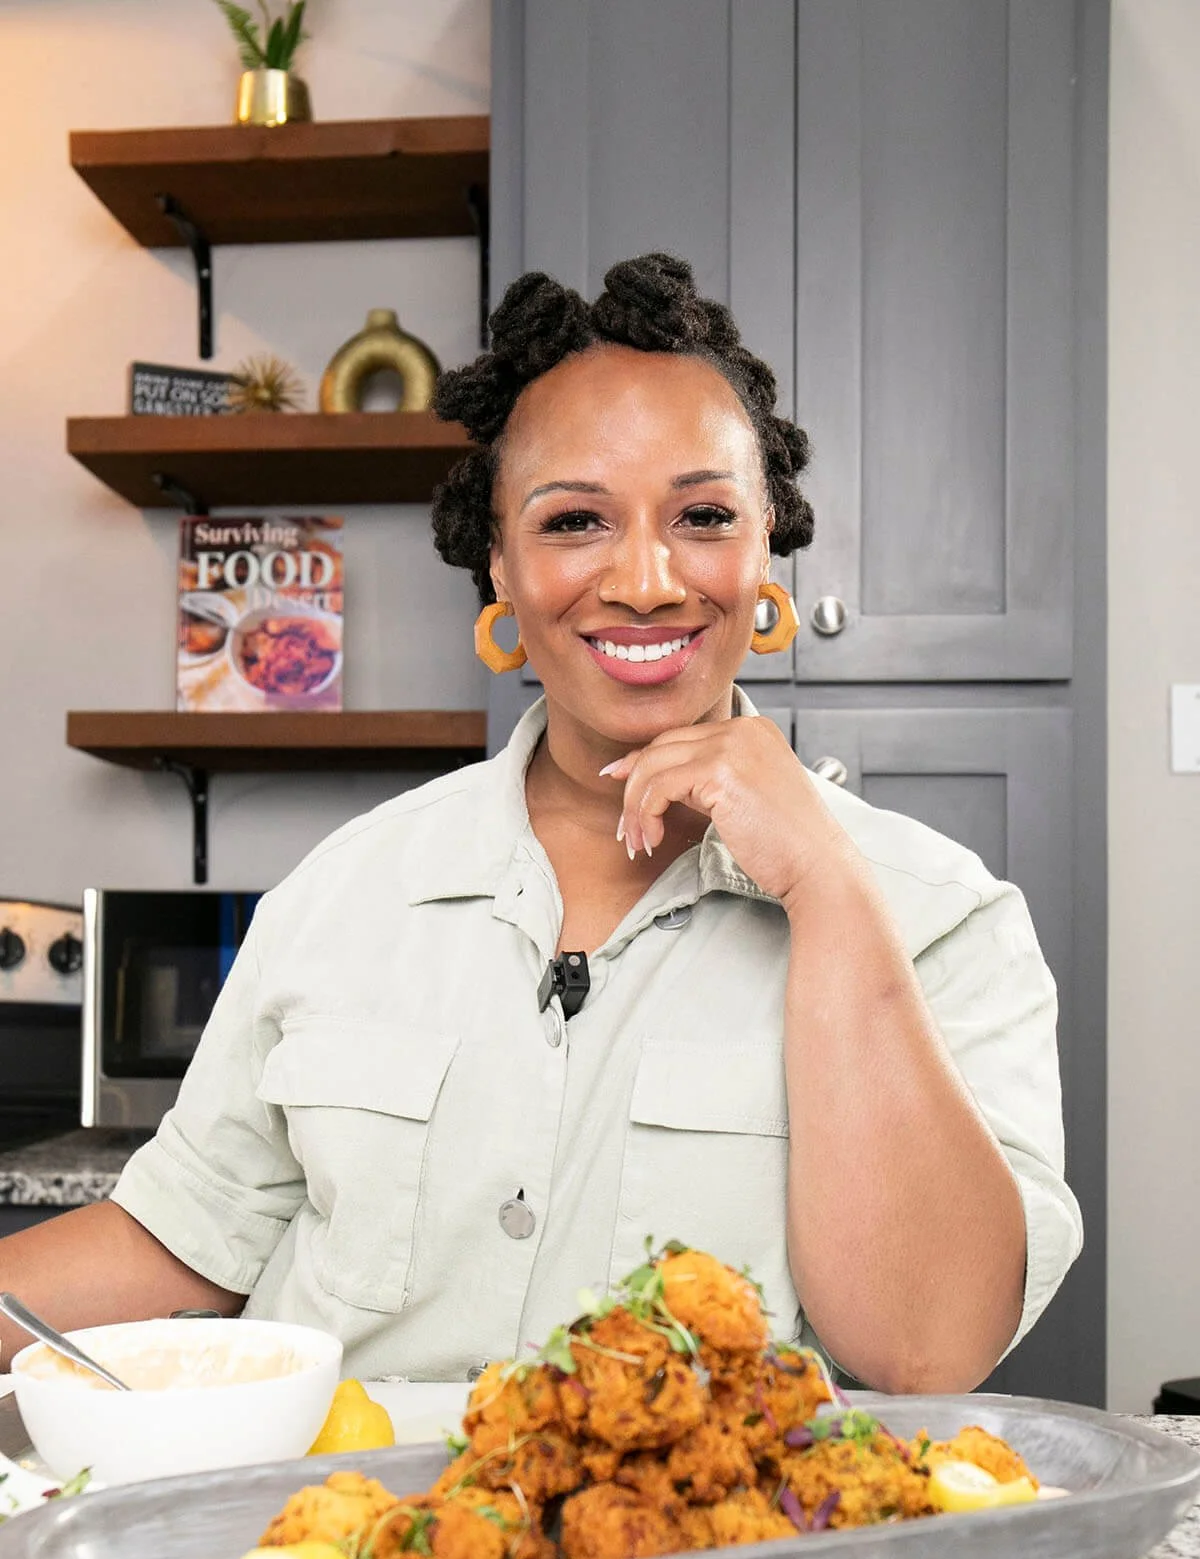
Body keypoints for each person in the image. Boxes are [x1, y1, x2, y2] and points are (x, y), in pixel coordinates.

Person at [0, 253, 1081, 1391]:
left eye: (704, 515)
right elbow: (180, 1245)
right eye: (574, 522)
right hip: (350, 1504)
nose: (648, 580)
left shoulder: (942, 916)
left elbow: (926, 1348)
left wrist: (824, 884)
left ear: (765, 549)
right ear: (501, 570)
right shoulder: (343, 893)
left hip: (699, 1512)